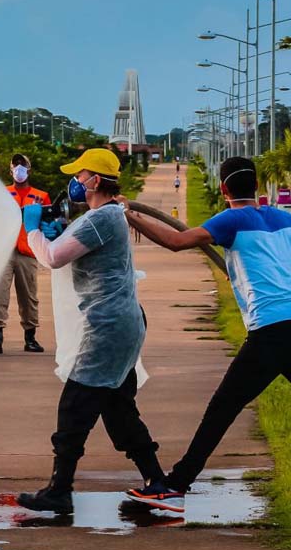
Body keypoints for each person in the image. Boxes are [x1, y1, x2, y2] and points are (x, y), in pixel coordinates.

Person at [122, 156, 291, 513]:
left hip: (271, 331)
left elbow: (176, 241)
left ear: (223, 188)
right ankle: (176, 484)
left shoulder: (230, 219)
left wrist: (128, 214)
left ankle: (175, 486)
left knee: (221, 410)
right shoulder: (283, 218)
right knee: (222, 409)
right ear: (258, 186)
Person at [15, 148, 164, 514]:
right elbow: (66, 248)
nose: (75, 183)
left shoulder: (101, 218)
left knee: (75, 407)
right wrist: (53, 232)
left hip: (108, 327)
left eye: (80, 176)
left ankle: (59, 490)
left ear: (96, 181)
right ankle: (157, 481)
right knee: (118, 409)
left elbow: (51, 258)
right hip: (121, 323)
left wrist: (33, 229)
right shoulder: (105, 217)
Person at [0, 153, 50, 355]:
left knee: (28, 296)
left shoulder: (41, 196)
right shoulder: (1, 194)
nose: (19, 169)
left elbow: (47, 224)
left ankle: (30, 339)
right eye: (16, 165)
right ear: (10, 170)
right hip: (3, 252)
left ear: (29, 170)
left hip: (28, 252)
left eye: (23, 165)